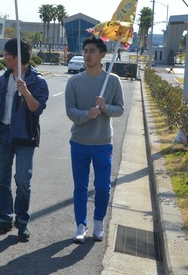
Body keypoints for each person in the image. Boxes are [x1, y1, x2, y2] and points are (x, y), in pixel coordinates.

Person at [0, 38, 49, 240]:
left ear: (17, 56)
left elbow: (37, 109)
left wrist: (26, 92)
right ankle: (4, 219)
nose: (4, 57)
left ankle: (22, 220)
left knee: (22, 180)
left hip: (24, 136)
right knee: (1, 180)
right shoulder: (3, 79)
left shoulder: (37, 81)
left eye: (6, 54)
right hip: (1, 134)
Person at [65, 37, 124, 243]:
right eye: (85, 51)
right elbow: (70, 111)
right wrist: (85, 115)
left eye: (92, 51)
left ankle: (98, 222)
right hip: (79, 142)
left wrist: (105, 107)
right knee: (80, 187)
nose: (87, 55)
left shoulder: (113, 81)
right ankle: (81, 225)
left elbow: (120, 109)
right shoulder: (74, 81)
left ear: (102, 55)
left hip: (102, 143)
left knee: (102, 187)